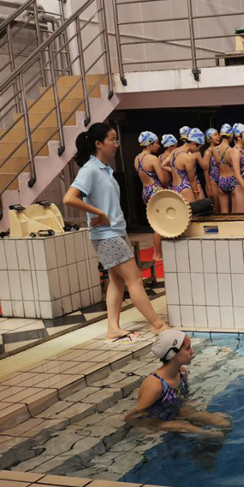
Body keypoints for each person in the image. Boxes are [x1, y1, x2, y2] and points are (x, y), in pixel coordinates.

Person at [63, 123, 169, 341]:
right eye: (112, 140)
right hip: (106, 235)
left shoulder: (105, 169)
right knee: (135, 279)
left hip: (116, 231)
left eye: (116, 139)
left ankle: (113, 327)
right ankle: (157, 324)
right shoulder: (90, 170)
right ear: (98, 143)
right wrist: (98, 213)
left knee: (117, 281)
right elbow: (69, 198)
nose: (116, 144)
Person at [125, 330, 230, 436]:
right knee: (198, 431)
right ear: (172, 354)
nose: (192, 352)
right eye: (188, 348)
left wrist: (197, 412)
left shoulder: (182, 373)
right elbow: (134, 418)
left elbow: (184, 399)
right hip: (157, 420)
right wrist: (163, 425)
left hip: (176, 411)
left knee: (224, 423)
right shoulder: (155, 385)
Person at [133, 131, 171, 260]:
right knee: (160, 224)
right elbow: (163, 179)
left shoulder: (137, 158)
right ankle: (157, 254)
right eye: (156, 143)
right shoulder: (152, 159)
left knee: (156, 222)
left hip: (145, 191)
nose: (158, 145)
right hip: (155, 190)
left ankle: (157, 252)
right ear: (149, 144)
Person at [169, 127, 204, 202]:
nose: (198, 150)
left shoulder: (174, 151)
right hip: (185, 189)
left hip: (174, 188)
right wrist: (196, 195)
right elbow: (192, 180)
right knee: (194, 209)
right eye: (200, 147)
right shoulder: (187, 158)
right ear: (194, 144)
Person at [203, 128, 221, 212]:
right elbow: (205, 171)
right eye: (215, 135)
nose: (218, 136)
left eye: (218, 134)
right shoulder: (208, 152)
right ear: (209, 139)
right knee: (216, 208)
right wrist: (209, 188)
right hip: (212, 181)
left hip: (220, 180)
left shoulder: (220, 150)